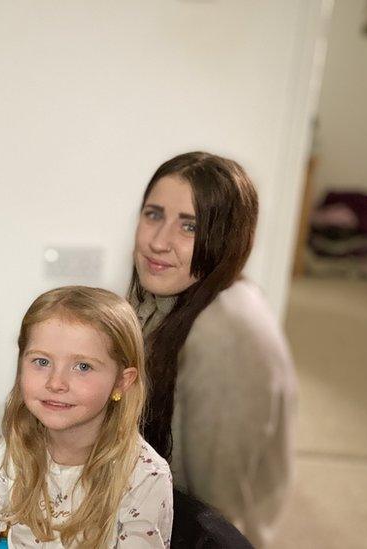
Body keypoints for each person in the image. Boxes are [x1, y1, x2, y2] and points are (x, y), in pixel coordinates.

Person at [129, 152, 297, 546]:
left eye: (189, 226)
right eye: (154, 215)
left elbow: (216, 507)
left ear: (226, 237)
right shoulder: (164, 301)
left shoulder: (224, 334)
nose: (158, 241)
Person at [0, 287, 173, 548]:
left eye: (83, 367)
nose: (56, 383)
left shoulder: (144, 475)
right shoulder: (14, 450)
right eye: (42, 362)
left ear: (121, 383)